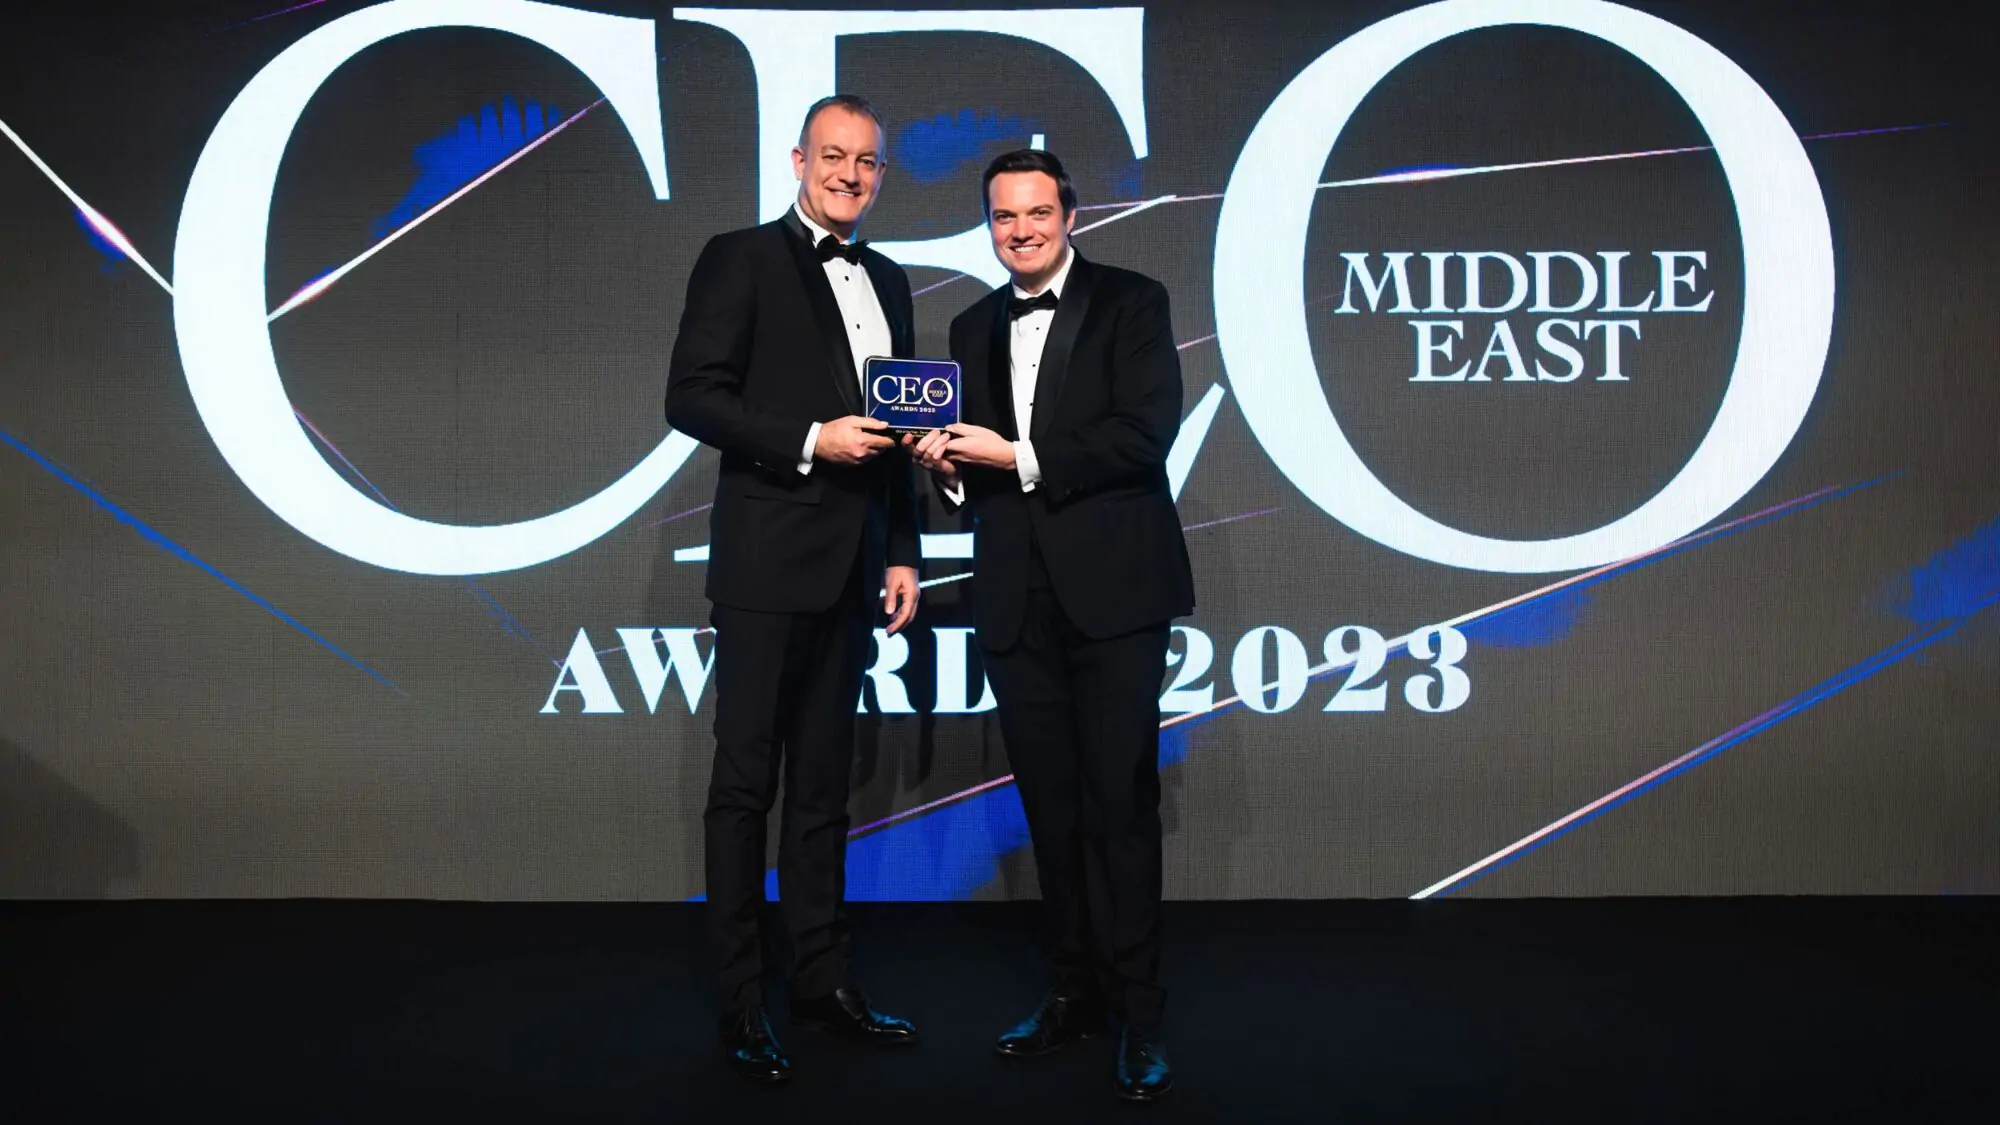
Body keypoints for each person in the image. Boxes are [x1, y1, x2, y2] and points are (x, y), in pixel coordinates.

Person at [907, 149, 1194, 1102]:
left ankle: (1140, 1014)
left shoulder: (1133, 302)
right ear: (988, 225)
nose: (1021, 230)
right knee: (1052, 810)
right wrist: (950, 468)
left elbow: (1143, 435)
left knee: (1120, 808)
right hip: (1015, 600)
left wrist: (1017, 454)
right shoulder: (972, 324)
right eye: (1003, 216)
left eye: (1037, 212)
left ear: (1071, 214)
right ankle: (1075, 992)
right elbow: (978, 468)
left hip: (1115, 597)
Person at [665, 93, 922, 1085]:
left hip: (854, 569)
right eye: (832, 155)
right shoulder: (739, 257)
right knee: (745, 789)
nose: (849, 174)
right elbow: (691, 395)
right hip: (766, 565)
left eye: (866, 161)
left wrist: (901, 550)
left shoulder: (889, 280)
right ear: (798, 161)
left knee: (821, 791)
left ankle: (821, 983)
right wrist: (811, 439)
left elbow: (898, 430)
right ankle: (740, 1002)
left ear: (880, 175)